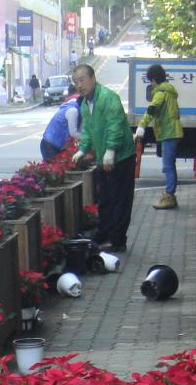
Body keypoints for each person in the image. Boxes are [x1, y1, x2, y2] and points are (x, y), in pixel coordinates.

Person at [71, 63, 134, 253]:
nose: (79, 85)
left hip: (121, 157)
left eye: (82, 80)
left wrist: (111, 150)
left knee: (120, 200)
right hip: (103, 160)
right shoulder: (84, 104)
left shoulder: (108, 98)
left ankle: (118, 241)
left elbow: (115, 125)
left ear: (92, 79)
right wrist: (82, 149)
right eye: (76, 82)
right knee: (105, 199)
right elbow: (88, 131)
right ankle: (104, 233)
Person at [137, 63, 184, 210]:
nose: (150, 83)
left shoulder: (160, 92)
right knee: (170, 165)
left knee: (168, 166)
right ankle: (170, 195)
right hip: (172, 131)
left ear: (154, 80)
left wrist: (141, 125)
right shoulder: (169, 91)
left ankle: (169, 196)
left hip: (168, 132)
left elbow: (152, 109)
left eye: (150, 80)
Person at [39, 93, 81, 161]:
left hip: (51, 144)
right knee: (52, 169)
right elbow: (73, 133)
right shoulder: (73, 111)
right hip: (50, 145)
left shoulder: (70, 107)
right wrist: (88, 139)